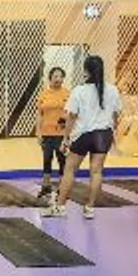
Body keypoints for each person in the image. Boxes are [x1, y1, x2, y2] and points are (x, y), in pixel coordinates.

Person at [42, 55, 122, 221]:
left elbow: (71, 117)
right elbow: (116, 115)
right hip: (103, 134)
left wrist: (65, 139)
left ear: (86, 71)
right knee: (96, 171)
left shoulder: (79, 91)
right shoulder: (112, 90)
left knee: (70, 169)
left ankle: (60, 206)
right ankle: (90, 208)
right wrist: (113, 133)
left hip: (83, 134)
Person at [35, 67, 69, 199]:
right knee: (47, 159)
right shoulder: (44, 94)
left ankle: (62, 188)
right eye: (55, 76)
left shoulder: (67, 94)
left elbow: (71, 114)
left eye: (60, 76)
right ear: (50, 78)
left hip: (62, 134)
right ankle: (46, 187)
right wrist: (38, 133)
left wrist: (68, 132)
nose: (58, 79)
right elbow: (39, 114)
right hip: (46, 133)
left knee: (62, 161)